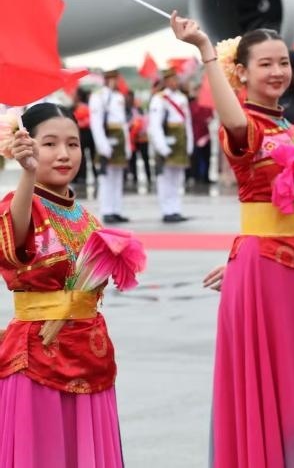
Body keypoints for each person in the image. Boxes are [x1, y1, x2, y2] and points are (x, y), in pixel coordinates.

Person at [170, 15, 294, 468]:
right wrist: (206, 52)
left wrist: (240, 258)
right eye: (265, 64)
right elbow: (232, 120)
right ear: (242, 72)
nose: (277, 71)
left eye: (283, 63)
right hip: (267, 268)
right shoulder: (246, 125)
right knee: (272, 379)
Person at [0, 103, 130, 466]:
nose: (64, 154)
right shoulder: (20, 204)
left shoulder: (87, 217)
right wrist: (27, 174)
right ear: (26, 146)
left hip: (91, 353)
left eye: (73, 144)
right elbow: (16, 242)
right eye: (50, 144)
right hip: (38, 359)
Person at [149, 69, 193, 223]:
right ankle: (167, 210)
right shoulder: (159, 99)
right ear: (166, 81)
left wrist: (189, 143)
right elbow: (155, 125)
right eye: (172, 79)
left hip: (180, 141)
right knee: (165, 178)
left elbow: (187, 123)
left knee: (178, 178)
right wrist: (162, 147)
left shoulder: (182, 98)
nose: (175, 82)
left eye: (176, 79)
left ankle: (176, 209)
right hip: (166, 141)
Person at [89, 70, 131, 224]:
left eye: (116, 79)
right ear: (106, 80)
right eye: (112, 79)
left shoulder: (119, 96)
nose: (115, 82)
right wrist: (103, 145)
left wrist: (127, 146)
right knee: (106, 178)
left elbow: (123, 124)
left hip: (118, 137)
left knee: (118, 178)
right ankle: (107, 211)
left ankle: (116, 210)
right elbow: (96, 123)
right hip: (106, 137)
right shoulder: (98, 96)